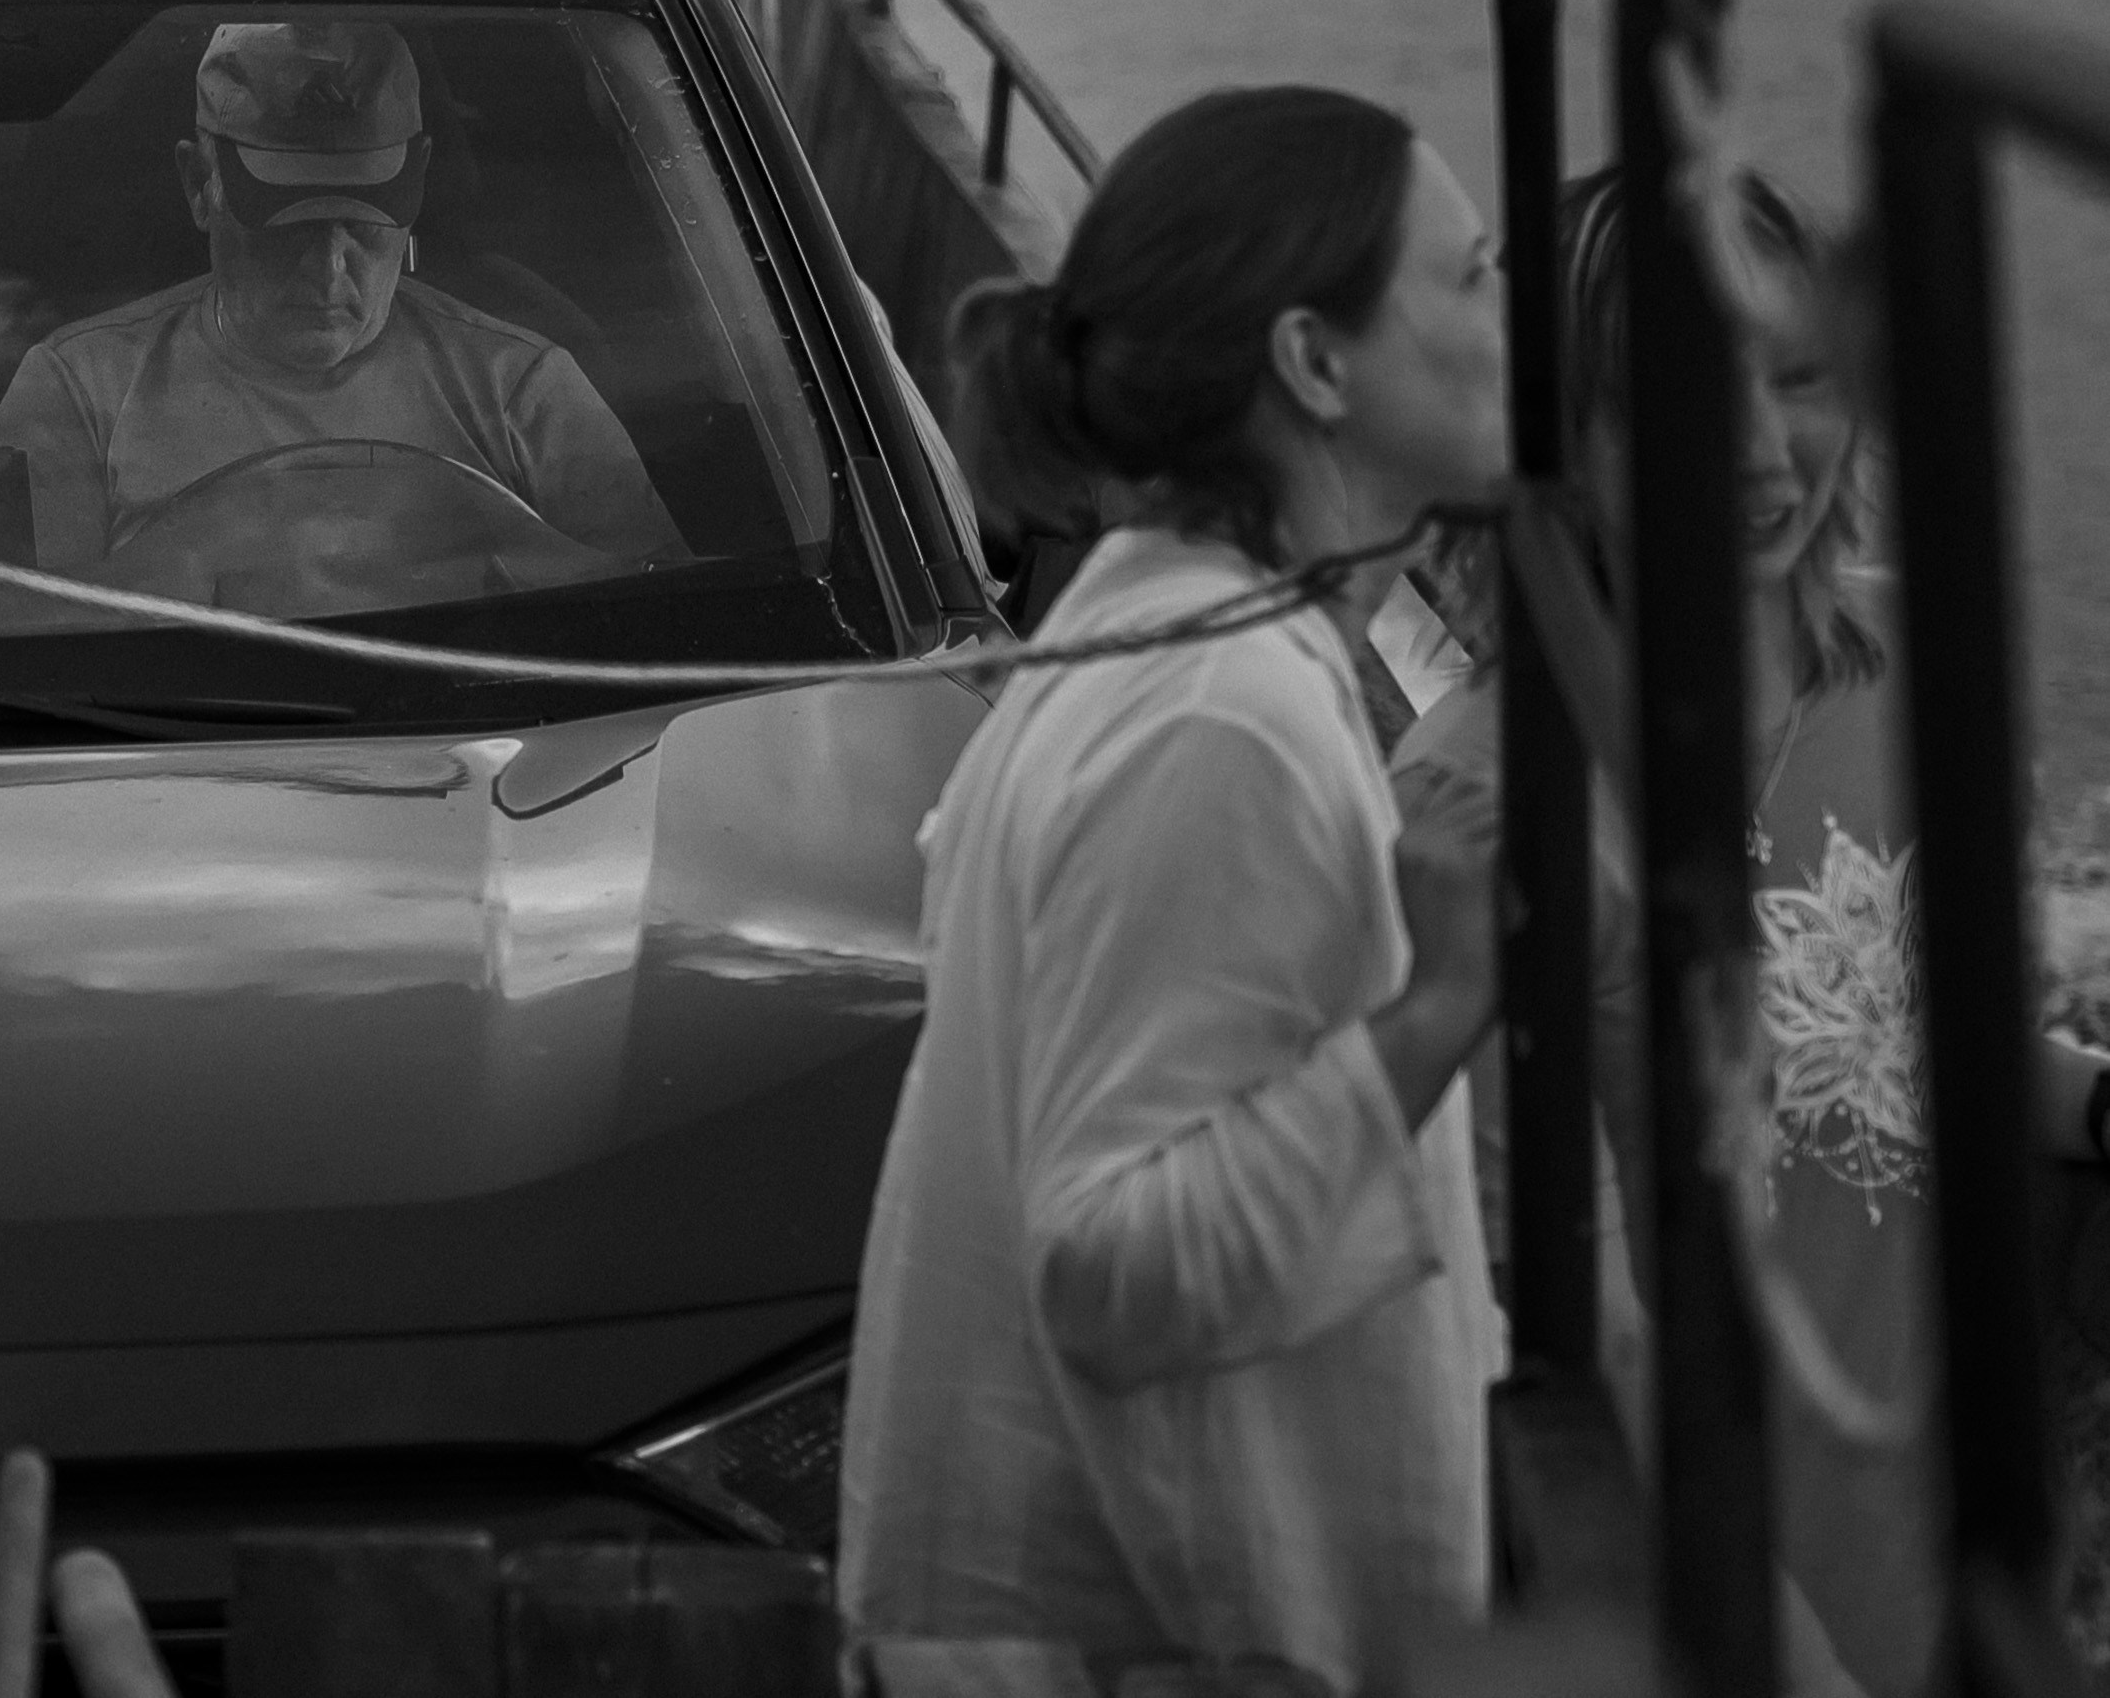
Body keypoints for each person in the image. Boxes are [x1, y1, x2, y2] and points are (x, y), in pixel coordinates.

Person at [1391, 163, 2110, 1697]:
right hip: (1714, 1586)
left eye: (1793, 377)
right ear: (1548, 446)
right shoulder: (1485, 791)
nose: (1755, 452)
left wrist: (2092, 1098)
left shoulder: (1908, 657)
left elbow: (1922, 1055)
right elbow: (1547, 1301)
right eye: (1661, 401)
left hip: (1950, 1527)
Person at [837, 85, 1513, 1693]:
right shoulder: (1222, 710)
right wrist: (1435, 1009)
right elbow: (1111, 1268)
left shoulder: (1164, 623)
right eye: (1469, 277)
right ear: (1313, 362)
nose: (1506, 327)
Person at [0, 20, 680, 603]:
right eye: (286, 225)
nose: (327, 268)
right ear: (199, 183)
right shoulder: (76, 391)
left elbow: (655, 619)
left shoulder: (524, 390)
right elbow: (21, 642)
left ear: (417, 180)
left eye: (363, 221)